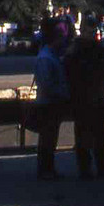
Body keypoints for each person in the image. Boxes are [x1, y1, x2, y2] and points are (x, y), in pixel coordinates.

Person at [64, 22, 104, 180]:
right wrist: (103, 92)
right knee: (100, 135)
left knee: (83, 135)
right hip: (93, 99)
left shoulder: (73, 52)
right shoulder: (95, 51)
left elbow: (68, 75)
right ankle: (103, 168)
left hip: (80, 99)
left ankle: (85, 169)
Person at [31, 17, 71, 181]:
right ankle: (45, 170)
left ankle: (48, 169)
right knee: (47, 139)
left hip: (51, 103)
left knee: (50, 139)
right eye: (61, 37)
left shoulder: (50, 55)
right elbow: (47, 84)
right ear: (56, 38)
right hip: (48, 104)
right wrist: (62, 94)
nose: (64, 40)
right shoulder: (46, 58)